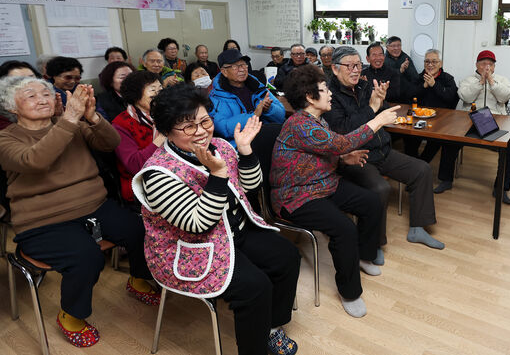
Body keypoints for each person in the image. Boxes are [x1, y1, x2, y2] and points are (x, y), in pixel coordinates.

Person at [132, 84, 300, 355]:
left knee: (287, 256)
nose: (200, 131)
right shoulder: (158, 174)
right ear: (166, 131)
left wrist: (245, 150)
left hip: (232, 231)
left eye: (205, 121)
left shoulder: (221, 146)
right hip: (192, 249)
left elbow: (251, 186)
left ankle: (271, 327)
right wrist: (218, 175)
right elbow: (199, 224)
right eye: (188, 126)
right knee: (255, 287)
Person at [0, 77, 158, 348]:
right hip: (43, 222)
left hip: (94, 206)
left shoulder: (70, 124)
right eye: (31, 95)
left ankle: (138, 279)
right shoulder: (6, 138)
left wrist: (92, 117)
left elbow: (110, 142)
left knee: (140, 229)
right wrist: (70, 118)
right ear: (12, 107)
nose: (42, 99)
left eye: (46, 94)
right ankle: (71, 315)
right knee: (86, 257)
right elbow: (35, 160)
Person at [272, 65, 400, 317]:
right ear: (310, 97)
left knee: (371, 201)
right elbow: (341, 143)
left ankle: (363, 256)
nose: (330, 93)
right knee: (344, 229)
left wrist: (343, 159)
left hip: (323, 183)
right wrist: (377, 121)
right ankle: (350, 292)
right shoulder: (300, 125)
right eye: (324, 89)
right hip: (297, 197)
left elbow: (327, 150)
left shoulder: (317, 120)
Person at [324, 46, 443, 254]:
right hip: (356, 157)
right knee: (380, 189)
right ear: (335, 69)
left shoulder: (364, 86)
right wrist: (371, 108)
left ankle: (417, 228)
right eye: (349, 66)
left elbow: (384, 112)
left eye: (358, 65)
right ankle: (375, 244)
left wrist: (381, 100)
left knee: (422, 170)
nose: (355, 70)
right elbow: (343, 129)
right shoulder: (329, 95)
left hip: (382, 150)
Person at [441, 50, 510, 203]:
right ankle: (446, 180)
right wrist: (481, 82)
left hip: (494, 121)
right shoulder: (468, 80)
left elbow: (505, 97)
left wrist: (491, 82)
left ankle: (501, 187)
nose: (487, 67)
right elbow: (466, 97)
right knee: (449, 138)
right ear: (476, 65)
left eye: (490, 64)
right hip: (469, 119)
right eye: (483, 64)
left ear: (494, 67)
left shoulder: (502, 80)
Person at [209, 45, 285, 172]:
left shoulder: (256, 85)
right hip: (240, 145)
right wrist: (254, 115)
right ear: (224, 71)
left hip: (266, 136)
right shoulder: (216, 96)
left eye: (244, 65)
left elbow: (281, 114)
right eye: (235, 66)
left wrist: (268, 109)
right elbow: (223, 128)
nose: (242, 69)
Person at [112, 70, 164, 204]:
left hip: (172, 173)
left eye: (160, 89)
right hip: (141, 184)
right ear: (136, 95)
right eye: (153, 90)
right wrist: (162, 136)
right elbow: (134, 165)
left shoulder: (166, 113)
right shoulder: (121, 124)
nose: (159, 94)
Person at [403, 49, 459, 169]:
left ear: (440, 63)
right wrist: (424, 86)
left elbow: (451, 98)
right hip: (418, 118)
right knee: (409, 138)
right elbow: (408, 95)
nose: (430, 65)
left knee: (435, 141)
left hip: (440, 120)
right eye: (427, 61)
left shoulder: (448, 79)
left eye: (434, 61)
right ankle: (414, 166)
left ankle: (421, 165)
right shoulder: (418, 78)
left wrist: (434, 85)